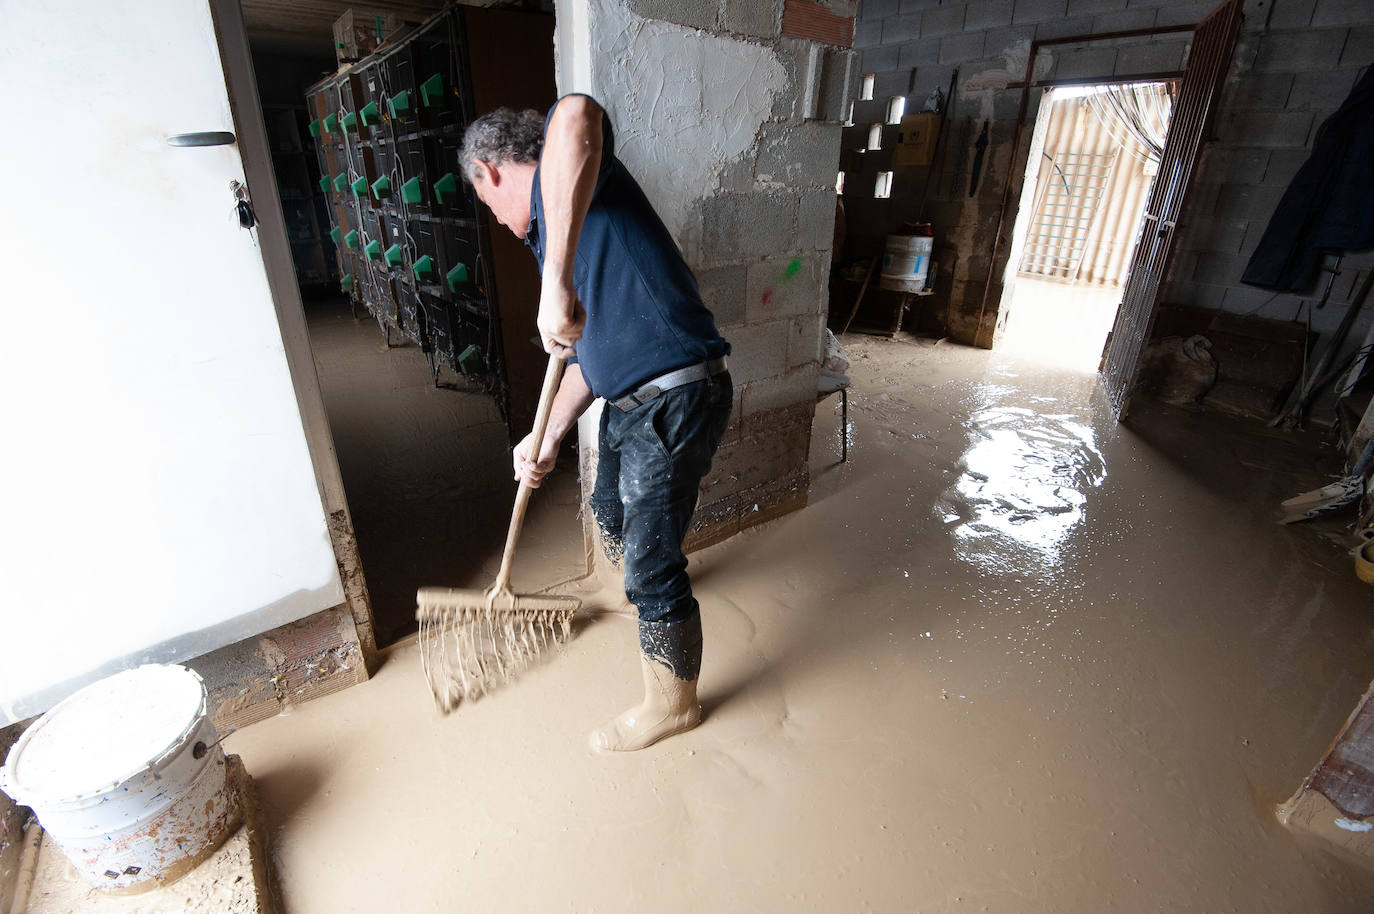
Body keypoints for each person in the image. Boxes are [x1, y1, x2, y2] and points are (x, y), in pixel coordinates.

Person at [459, 95, 732, 752]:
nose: (496, 220)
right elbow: (588, 357)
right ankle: (631, 595)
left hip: (673, 398)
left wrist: (554, 283)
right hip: (627, 403)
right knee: (607, 509)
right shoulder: (559, 234)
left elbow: (579, 114)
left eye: (482, 198)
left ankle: (673, 704)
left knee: (650, 561)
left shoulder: (575, 186)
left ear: (490, 172)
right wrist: (545, 434)